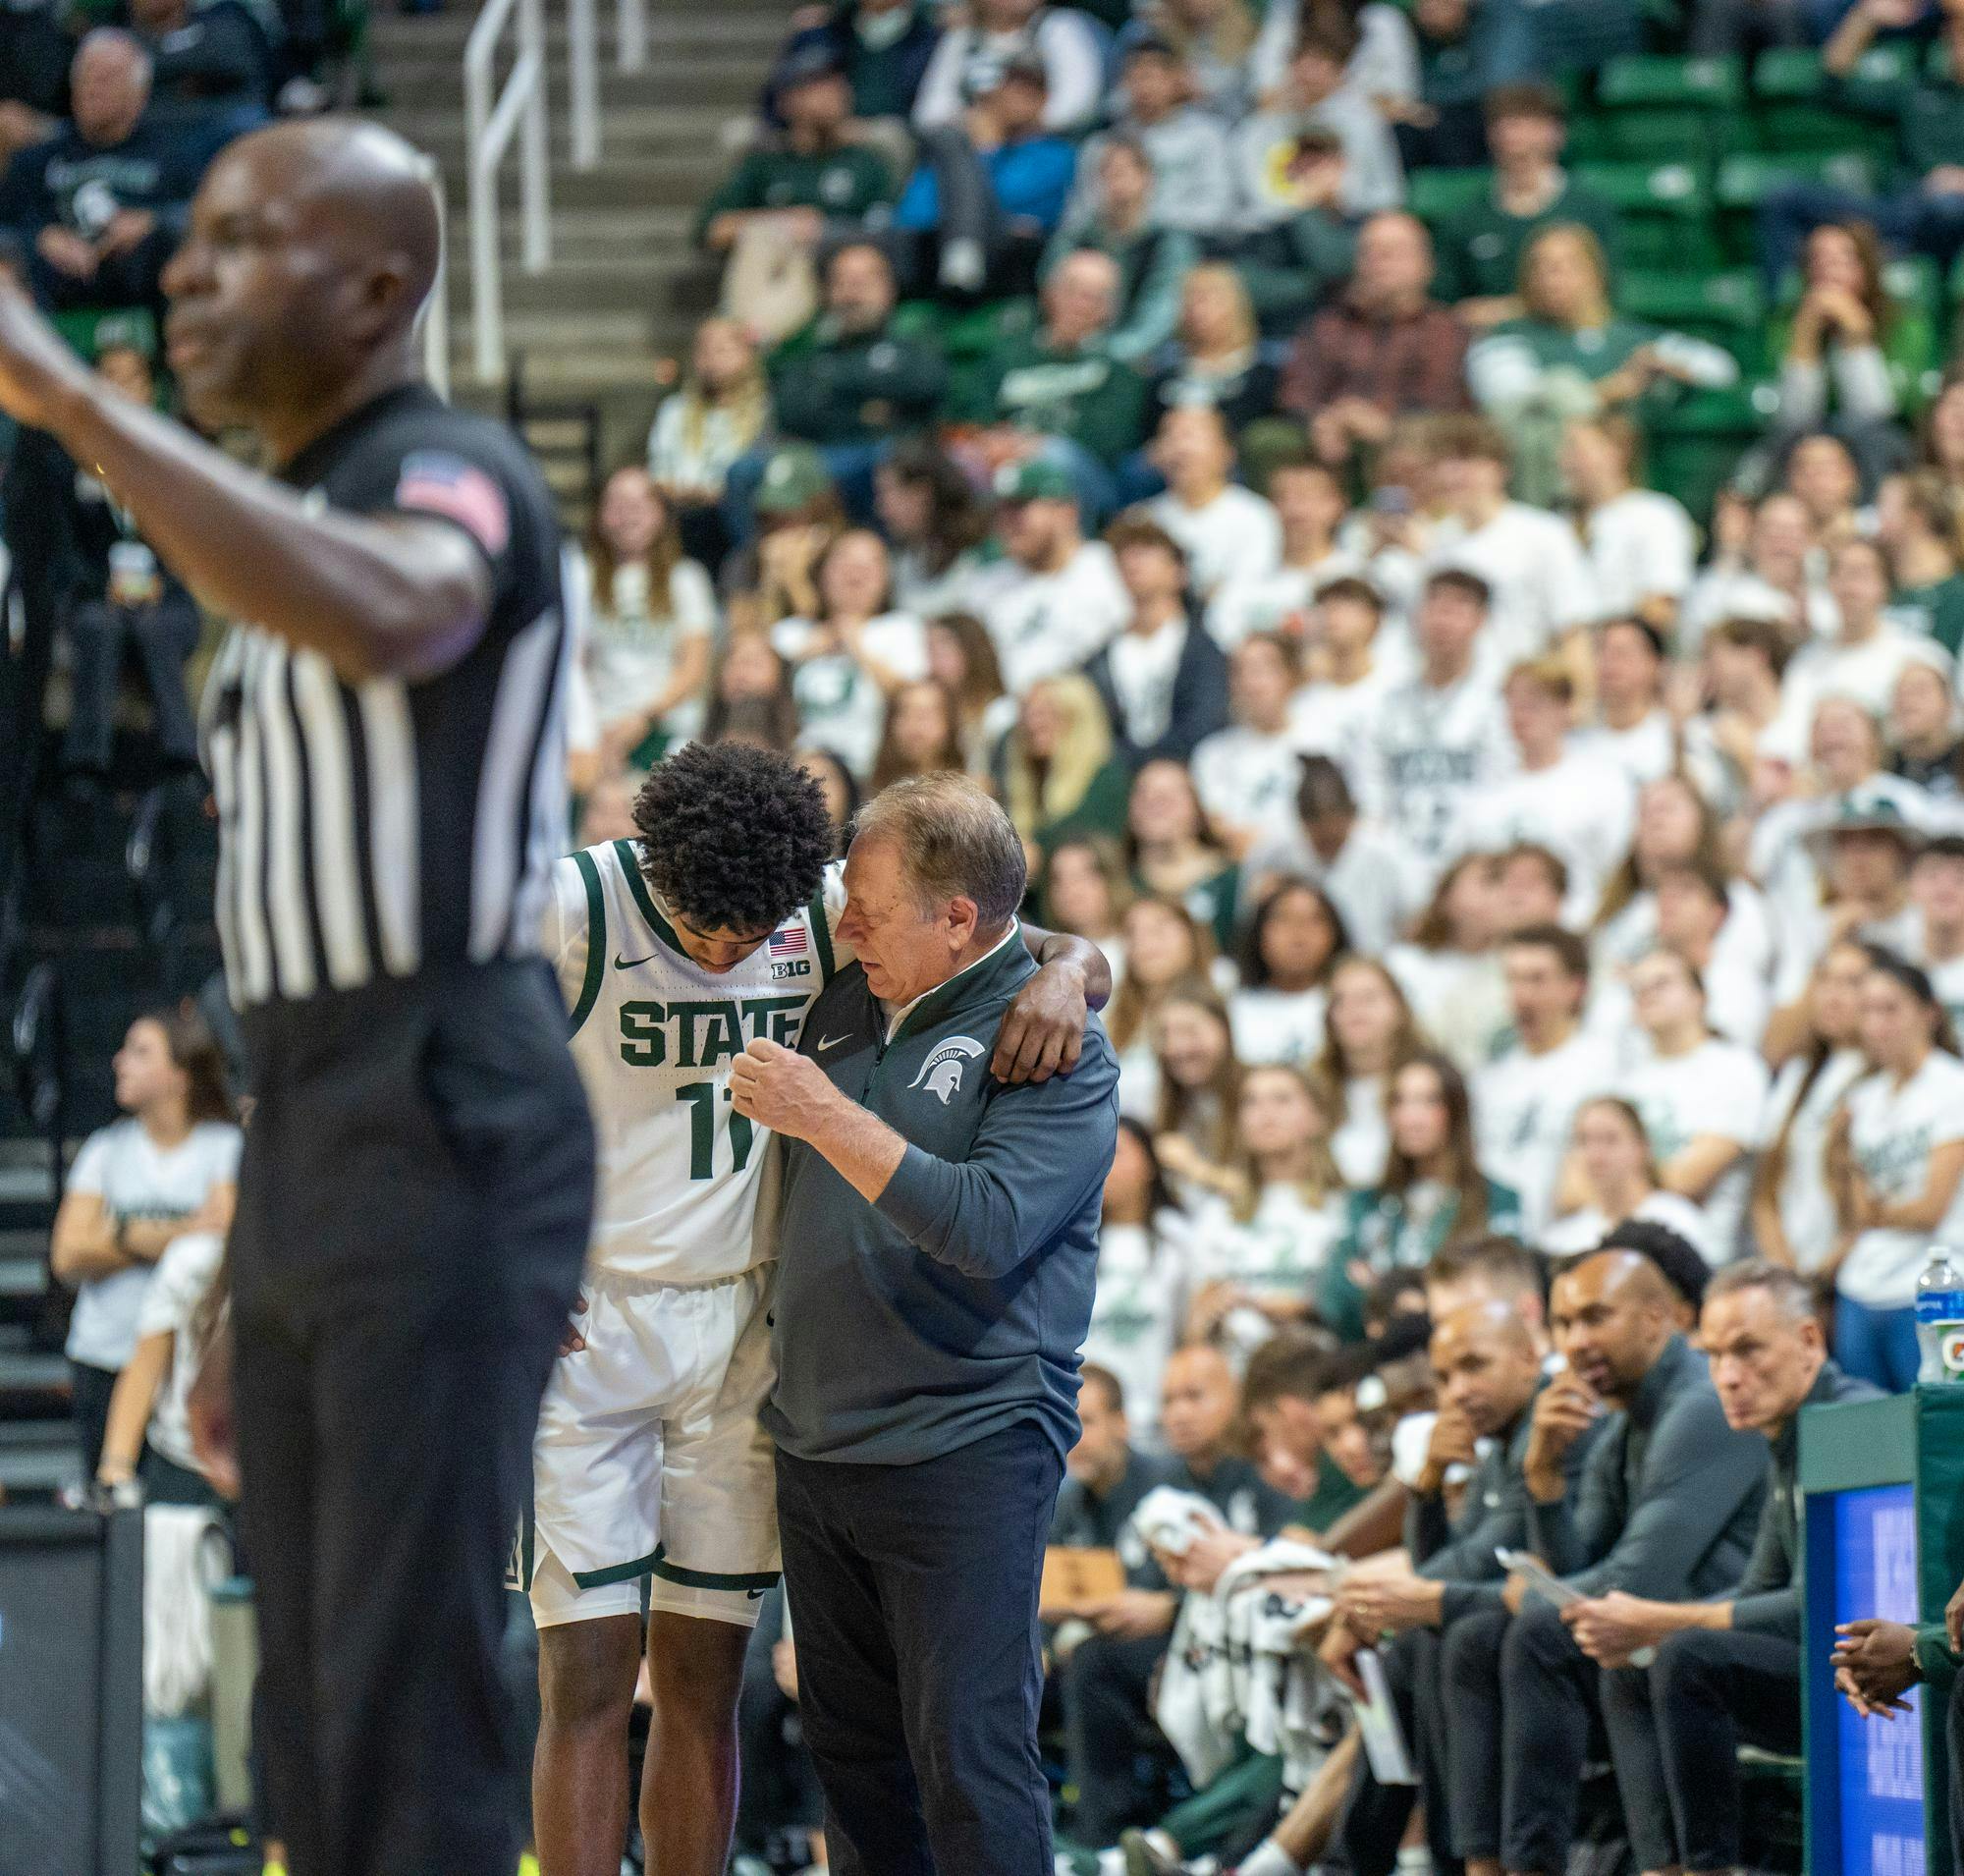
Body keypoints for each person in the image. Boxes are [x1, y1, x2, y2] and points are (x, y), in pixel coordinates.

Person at [0, 117, 599, 1876]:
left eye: (245, 239)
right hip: (317, 1108)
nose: (187, 271)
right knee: (310, 1711)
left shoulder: (449, 467)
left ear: (379, 286)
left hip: (450, 1083)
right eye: (189, 237)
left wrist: (82, 411)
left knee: (409, 1687)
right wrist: (252, 1245)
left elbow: (409, 616)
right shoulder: (276, 530)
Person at [732, 774, 1118, 1874]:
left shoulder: (1055, 1043)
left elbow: (988, 1225)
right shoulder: (858, 976)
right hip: (817, 1445)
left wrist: (822, 1113)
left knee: (967, 1756)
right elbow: (1049, 935)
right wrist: (1078, 953)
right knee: (852, 1768)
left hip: (966, 1443)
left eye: (865, 905)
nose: (838, 922)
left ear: (957, 920)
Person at [1443, 1250, 1769, 1876]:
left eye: (1595, 1317)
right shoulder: (1621, 1426)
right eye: (1564, 1325)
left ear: (1655, 1319)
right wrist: (1543, 1478)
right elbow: (1574, 1564)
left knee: (1544, 1633)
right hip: (1660, 1651)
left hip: (1731, 1642)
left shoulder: (1699, 1407)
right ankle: (1479, 1864)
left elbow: (1631, 1583)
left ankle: (1534, 1867)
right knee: (1476, 1639)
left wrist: (1528, 1597)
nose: (1576, 1341)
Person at [1569, 1261, 1881, 1876]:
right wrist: (1654, 1632)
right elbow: (1762, 1589)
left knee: (1687, 1655)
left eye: (1747, 1351)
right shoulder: (1784, 1438)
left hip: (1875, 1679)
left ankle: (1714, 1867)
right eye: (1713, 1358)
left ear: (1809, 1342)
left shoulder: (1855, 1425)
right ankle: (1666, 1868)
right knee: (1636, 1668)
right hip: (1822, 1670)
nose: (1728, 1378)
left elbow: (1820, 1605)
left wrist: (1664, 1619)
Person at [1320, 1298, 1590, 1876]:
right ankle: (1383, 1863)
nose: (1459, 1391)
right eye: (1444, 1378)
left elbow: (1500, 1567)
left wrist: (1419, 1600)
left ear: (1528, 1356)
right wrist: (1427, 1486)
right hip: (1526, 1636)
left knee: (1457, 1637)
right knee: (1417, 1648)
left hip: (1583, 1641)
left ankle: (1459, 1863)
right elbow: (1454, 1560)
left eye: (1474, 1366)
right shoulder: (1500, 1443)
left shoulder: (1555, 1425)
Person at [1063, 1341, 1299, 1848]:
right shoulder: (1170, 1489)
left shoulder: (1271, 1473)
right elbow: (1151, 1585)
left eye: (1194, 1397)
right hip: (1192, 1643)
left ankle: (1135, 1840)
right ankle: (1105, 1838)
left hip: (1270, 1644)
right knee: (1090, 1660)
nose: (1178, 1414)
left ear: (1234, 1400)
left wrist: (1170, 1610)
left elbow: (1298, 1565)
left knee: (1097, 1665)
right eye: (1169, 1401)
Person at [49, 1008, 238, 1479]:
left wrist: (115, 1232)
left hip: (185, 1370)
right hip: (104, 1355)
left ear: (179, 1075)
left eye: (140, 1051)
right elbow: (69, 1253)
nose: (119, 1061)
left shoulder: (224, 1146)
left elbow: (223, 1233)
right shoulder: (105, 1149)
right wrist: (170, 1233)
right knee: (114, 1511)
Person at [52, 339, 203, 785]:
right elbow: (62, 551)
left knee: (157, 625)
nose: (119, 388)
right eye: (109, 377)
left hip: (167, 597)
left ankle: (182, 763)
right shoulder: (71, 457)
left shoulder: (170, 457)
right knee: (99, 624)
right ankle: (85, 768)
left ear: (149, 389)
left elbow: (195, 547)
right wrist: (103, 586)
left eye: (130, 378)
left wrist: (161, 585)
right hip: (95, 595)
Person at [0, 29, 217, 311]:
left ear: (139, 94)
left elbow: (204, 219)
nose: (92, 88)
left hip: (143, 297)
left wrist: (153, 223)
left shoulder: (176, 156)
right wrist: (41, 239)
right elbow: (6, 226)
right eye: (84, 77)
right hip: (50, 298)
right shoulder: (34, 161)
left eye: (106, 79)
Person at [1830, 949, 1964, 1391]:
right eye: (1867, 1010)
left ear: (1928, 1013)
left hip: (1932, 1287)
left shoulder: (1952, 1087)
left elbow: (1929, 1209)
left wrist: (1874, 1212)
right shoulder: (1864, 1099)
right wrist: (1838, 1151)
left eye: (1891, 1008)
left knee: (1936, 1423)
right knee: (1868, 1427)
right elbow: (1854, 1211)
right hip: (1863, 1285)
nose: (1877, 1023)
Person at [693, 46, 895, 339]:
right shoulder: (766, 164)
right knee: (761, 236)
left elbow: (886, 232)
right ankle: (752, 336)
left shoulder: (865, 162)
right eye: (816, 85)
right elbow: (710, 231)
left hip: (834, 274)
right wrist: (783, 223)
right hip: (770, 275)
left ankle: (753, 339)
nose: (832, 93)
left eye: (837, 83)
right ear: (788, 100)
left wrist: (823, 231)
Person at [1324, 1052, 1523, 1340]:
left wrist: (1382, 1290)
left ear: (1455, 1110)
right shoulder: (1365, 1204)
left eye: (1428, 1101)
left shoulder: (1498, 1200)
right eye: (1400, 1102)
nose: (1410, 1118)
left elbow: (1502, 1291)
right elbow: (1335, 1294)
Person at [1278, 209, 1470, 479]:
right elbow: (1297, 391)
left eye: (1392, 253)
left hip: (1414, 447)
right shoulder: (1328, 325)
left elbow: (1441, 402)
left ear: (1424, 265)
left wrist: (1386, 425)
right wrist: (1323, 419)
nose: (1378, 262)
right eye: (1369, 253)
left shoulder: (1445, 329)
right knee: (1269, 439)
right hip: (1331, 444)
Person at [1352, 566, 1515, 881]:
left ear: (1481, 620)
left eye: (1458, 608)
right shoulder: (1381, 707)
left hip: (1472, 870)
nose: (1443, 620)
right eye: (1434, 605)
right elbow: (1370, 799)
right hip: (1396, 868)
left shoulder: (1499, 704)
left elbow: (1502, 795)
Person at [1618, 948, 1771, 1262]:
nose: (1647, 994)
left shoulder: (1734, 1068)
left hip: (1702, 1255)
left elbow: (1686, 1180)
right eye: (1638, 988)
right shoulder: (1627, 1082)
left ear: (1699, 996)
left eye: (1662, 983)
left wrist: (1617, 1173)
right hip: (1629, 1250)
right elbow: (1571, 1189)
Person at [890, 52, 1076, 300]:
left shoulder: (1055, 155)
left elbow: (1004, 198)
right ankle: (960, 253)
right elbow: (913, 213)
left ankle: (962, 252)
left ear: (1044, 99)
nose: (1016, 98)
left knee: (950, 142)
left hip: (1011, 262)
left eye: (1029, 90)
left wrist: (987, 149)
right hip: (934, 254)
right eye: (1009, 87)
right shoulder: (955, 156)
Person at [1185, 1062, 1345, 1349]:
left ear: (1317, 1116)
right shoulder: (1217, 1215)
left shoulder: (1343, 1209)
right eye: (1251, 1101)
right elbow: (1194, 1329)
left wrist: (1304, 1309)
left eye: (1282, 1099)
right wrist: (1208, 1313)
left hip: (1321, 1367)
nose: (1264, 1113)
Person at [1464, 658, 1636, 920]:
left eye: (1534, 703)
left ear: (1565, 708)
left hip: (1578, 927)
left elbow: (1621, 870)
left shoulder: (1601, 782)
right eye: (1513, 703)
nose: (1520, 714)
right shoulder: (1487, 793)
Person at [1431, 82, 1618, 323]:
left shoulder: (1590, 208)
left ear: (1556, 132)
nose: (1514, 134)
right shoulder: (1465, 218)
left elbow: (1606, 292)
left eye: (1528, 121)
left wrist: (1513, 309)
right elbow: (1447, 304)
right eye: (1503, 123)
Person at [1474, 925, 1616, 1239]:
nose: (1522, 995)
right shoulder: (1488, 1076)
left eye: (1537, 979)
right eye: (1513, 979)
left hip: (1570, 1239)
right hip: (1496, 1245)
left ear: (1575, 988)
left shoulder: (1604, 1065)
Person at [574, 465, 716, 773]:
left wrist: (642, 719)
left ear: (661, 514)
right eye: (617, 505)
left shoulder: (687, 579)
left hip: (667, 727)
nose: (628, 514)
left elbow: (694, 668)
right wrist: (591, 728)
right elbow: (574, 663)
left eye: (640, 504)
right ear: (600, 515)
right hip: (600, 727)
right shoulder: (580, 577)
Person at [771, 526, 929, 780]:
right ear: (822, 574)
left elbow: (912, 700)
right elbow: (753, 697)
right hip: (798, 770)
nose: (855, 572)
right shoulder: (790, 633)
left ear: (886, 579)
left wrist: (856, 646)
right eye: (844, 562)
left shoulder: (901, 629)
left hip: (871, 774)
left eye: (869, 565)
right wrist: (800, 655)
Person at [967, 455, 1130, 692]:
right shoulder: (984, 585)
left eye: (1020, 508)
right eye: (1001, 511)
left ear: (1067, 511)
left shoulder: (1108, 569)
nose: (1007, 522)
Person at [1085, 514, 1231, 767]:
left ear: (1179, 571)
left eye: (1146, 551)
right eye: (1125, 555)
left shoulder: (1203, 650)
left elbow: (1205, 721)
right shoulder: (1100, 658)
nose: (1133, 562)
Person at [1040, 135, 1197, 365]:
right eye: (1108, 172)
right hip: (1072, 351)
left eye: (1125, 171)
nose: (1116, 181)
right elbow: (1052, 292)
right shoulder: (1076, 238)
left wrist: (1108, 354)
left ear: (1148, 178)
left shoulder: (1168, 243)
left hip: (1143, 360)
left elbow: (1162, 314)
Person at [1232, 21, 1404, 224]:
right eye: (1299, 61)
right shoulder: (1259, 129)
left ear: (1340, 71)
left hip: (1350, 224)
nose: (1307, 71)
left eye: (1319, 61)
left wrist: (1342, 197)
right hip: (1280, 229)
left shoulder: (1365, 124)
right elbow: (1251, 198)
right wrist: (1299, 201)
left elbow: (1390, 194)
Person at [1086, 1127, 1193, 1444]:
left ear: (1149, 1164)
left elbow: (1191, 1330)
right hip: (1088, 1428)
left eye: (1117, 1152)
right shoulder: (1070, 1243)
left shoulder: (1179, 1237)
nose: (1104, 1164)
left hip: (1161, 1422)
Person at [1073, 33, 1233, 235]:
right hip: (1115, 245)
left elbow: (1217, 208)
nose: (1144, 87)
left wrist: (1146, 222)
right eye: (1135, 76)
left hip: (1189, 242)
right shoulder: (1101, 145)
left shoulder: (1206, 136)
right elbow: (1081, 215)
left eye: (1152, 76)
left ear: (1176, 79)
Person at [647, 317, 769, 564]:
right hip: (680, 517)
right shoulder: (674, 410)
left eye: (722, 350)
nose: (711, 360)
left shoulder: (766, 413)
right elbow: (657, 474)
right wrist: (687, 493)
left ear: (747, 355)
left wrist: (717, 494)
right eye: (703, 350)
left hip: (736, 523)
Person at [1562, 415, 1699, 633]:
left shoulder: (1655, 515)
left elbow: (1661, 607)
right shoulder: (1560, 521)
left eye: (1578, 452)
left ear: (1616, 452)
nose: (1566, 462)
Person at [1543, 1096, 1716, 1261]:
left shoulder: (1677, 1223)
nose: (1595, 1156)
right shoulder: (1563, 1239)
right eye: (1583, 1141)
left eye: (1610, 1140)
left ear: (1642, 1147)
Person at [1144, 405, 1282, 602]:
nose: (1181, 448)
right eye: (1170, 436)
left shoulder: (1255, 516)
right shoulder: (1143, 520)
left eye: (1191, 435)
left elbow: (1249, 592)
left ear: (1227, 452)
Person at [910, 0, 1104, 136]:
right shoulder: (962, 38)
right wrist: (971, 123)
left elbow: (1079, 103)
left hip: (1043, 147)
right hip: (974, 146)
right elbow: (928, 111)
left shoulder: (1059, 26)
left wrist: (1022, 122)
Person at [1192, 634, 1307, 857]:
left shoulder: (1323, 743)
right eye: (1239, 672)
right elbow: (1222, 829)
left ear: (1291, 676)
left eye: (1263, 669)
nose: (1250, 683)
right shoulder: (1212, 754)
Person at [1228, 876, 1348, 1066]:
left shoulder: (1349, 1007)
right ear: (1260, 932)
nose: (1298, 934)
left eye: (1313, 920)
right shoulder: (1232, 1007)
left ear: (1334, 933)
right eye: (1284, 919)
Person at [1124, 757, 1241, 952]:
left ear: (1197, 807)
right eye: (1143, 795)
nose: (1154, 804)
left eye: (1168, 796)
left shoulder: (1234, 882)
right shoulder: (1119, 884)